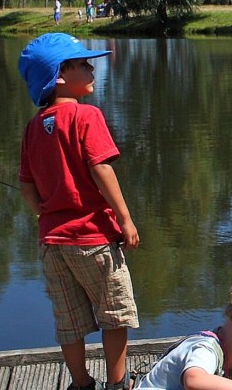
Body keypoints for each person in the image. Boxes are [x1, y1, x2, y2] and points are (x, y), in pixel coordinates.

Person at [18, 33, 142, 390]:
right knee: (114, 315)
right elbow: (101, 168)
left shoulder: (32, 128)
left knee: (68, 321)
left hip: (52, 243)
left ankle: (80, 383)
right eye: (83, 64)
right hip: (94, 239)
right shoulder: (87, 116)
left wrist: (43, 215)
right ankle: (117, 383)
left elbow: (27, 186)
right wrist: (124, 218)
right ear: (59, 75)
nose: (91, 69)